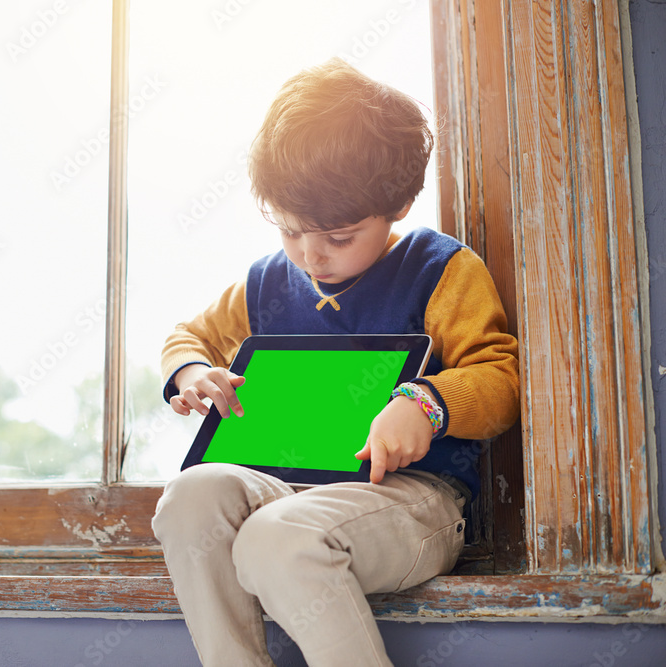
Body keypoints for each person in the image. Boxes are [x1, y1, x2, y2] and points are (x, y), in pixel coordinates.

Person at [150, 58, 520, 667]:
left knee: (278, 538)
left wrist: (423, 404)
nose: (310, 255)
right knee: (191, 495)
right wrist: (193, 372)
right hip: (287, 487)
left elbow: (499, 378)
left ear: (398, 205)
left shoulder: (442, 269)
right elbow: (189, 336)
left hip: (411, 500)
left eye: (339, 236)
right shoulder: (268, 282)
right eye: (290, 230)